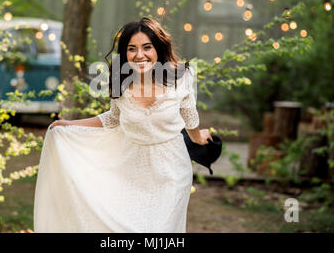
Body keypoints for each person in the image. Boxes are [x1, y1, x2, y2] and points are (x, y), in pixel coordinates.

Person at [33, 17, 212, 233]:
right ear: (125, 54)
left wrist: (198, 138)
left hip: (171, 170)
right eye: (132, 49)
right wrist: (69, 124)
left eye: (147, 47)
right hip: (130, 167)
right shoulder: (121, 80)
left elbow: (189, 115)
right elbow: (113, 118)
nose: (139, 55)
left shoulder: (181, 77)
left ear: (158, 48)